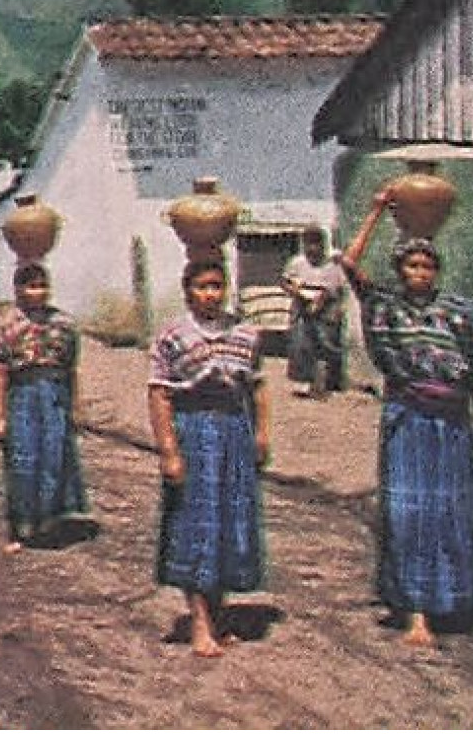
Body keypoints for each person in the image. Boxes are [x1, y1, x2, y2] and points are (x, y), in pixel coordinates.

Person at [341, 188, 473, 650]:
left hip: (451, 426)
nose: (419, 273)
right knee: (409, 513)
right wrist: (373, 211)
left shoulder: (459, 313)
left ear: (437, 271)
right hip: (407, 420)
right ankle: (415, 614)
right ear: (399, 270)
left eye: (427, 266)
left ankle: (448, 602)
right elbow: (348, 265)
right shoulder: (385, 307)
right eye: (412, 266)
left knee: (448, 513)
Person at [148, 258, 271, 658]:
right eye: (202, 286)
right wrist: (169, 450)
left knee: (229, 524)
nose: (210, 294)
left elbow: (258, 387)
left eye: (217, 286)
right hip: (194, 433)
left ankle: (217, 616)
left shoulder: (246, 333)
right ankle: (199, 622)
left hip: (235, 432)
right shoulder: (173, 336)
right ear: (188, 290)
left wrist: (263, 434)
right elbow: (160, 394)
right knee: (195, 524)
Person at [0, 263, 86, 553]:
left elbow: (72, 369)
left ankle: (48, 521)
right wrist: (0, 416)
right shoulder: (8, 326)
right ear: (17, 290)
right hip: (22, 396)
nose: (37, 292)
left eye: (42, 286)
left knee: (54, 458)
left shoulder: (64, 325)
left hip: (55, 396)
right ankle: (18, 527)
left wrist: (76, 407)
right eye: (30, 286)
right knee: (22, 460)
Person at [281, 226, 349, 397]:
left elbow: (336, 287)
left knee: (326, 343)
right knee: (302, 344)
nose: (312, 248)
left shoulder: (332, 263)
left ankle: (327, 383)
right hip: (302, 302)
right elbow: (285, 281)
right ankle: (310, 381)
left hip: (327, 306)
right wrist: (294, 291)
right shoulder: (297, 262)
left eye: (316, 243)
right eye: (308, 244)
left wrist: (321, 301)